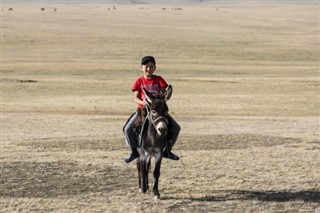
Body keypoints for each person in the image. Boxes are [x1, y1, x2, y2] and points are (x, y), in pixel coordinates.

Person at [123, 56, 180, 164]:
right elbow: (135, 97)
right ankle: (134, 152)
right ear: (141, 68)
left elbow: (164, 93)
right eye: (146, 66)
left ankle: (167, 150)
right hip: (143, 110)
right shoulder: (139, 81)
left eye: (151, 66)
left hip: (158, 111)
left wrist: (160, 99)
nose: (148, 69)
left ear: (155, 68)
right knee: (127, 129)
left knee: (176, 127)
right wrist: (142, 102)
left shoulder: (159, 79)